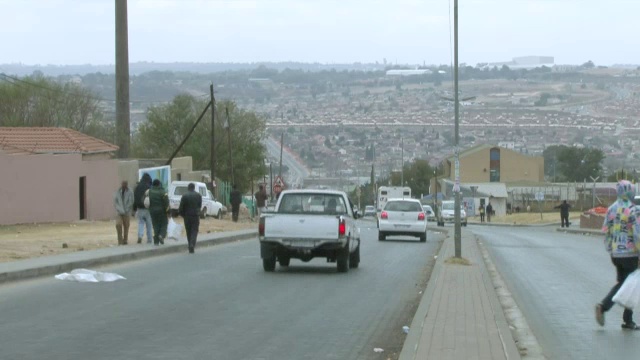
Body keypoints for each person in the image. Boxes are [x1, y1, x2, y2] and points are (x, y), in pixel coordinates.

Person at [595, 180, 640, 330]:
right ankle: (605, 306)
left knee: (623, 282)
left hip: (615, 253)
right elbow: (637, 233)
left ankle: (627, 319)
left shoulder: (611, 209)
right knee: (629, 285)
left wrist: (610, 248)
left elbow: (606, 230)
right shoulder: (633, 210)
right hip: (630, 253)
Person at [179, 182, 202, 254]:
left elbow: (181, 208)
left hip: (187, 216)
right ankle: (192, 244)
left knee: (188, 231)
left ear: (188, 188)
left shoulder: (184, 196)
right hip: (195, 215)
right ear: (194, 188)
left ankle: (190, 244)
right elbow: (199, 206)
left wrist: (183, 215)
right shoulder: (198, 195)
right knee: (194, 231)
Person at [133, 173, 153, 244]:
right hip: (148, 208)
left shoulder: (137, 187)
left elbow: (135, 199)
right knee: (149, 224)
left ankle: (140, 236)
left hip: (140, 208)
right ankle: (149, 239)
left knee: (141, 222)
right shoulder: (149, 187)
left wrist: (134, 208)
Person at [148, 179, 169, 245]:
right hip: (162, 211)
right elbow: (166, 202)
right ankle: (161, 235)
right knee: (164, 224)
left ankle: (156, 240)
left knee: (155, 225)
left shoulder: (149, 192)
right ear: (159, 184)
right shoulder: (163, 192)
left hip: (152, 211)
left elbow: (145, 200)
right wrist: (168, 211)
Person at [113, 180, 134, 245]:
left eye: (125, 184)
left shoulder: (130, 192)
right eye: (123, 184)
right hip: (119, 212)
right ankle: (120, 240)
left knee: (126, 226)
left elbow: (131, 201)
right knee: (118, 225)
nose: (123, 185)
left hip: (127, 212)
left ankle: (125, 240)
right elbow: (115, 202)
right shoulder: (118, 192)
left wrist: (126, 209)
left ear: (127, 185)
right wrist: (119, 209)